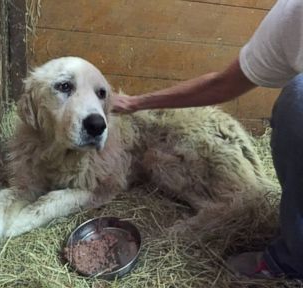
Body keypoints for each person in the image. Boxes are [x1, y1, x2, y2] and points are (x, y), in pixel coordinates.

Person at [112, 0, 303, 279]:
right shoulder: (294, 13)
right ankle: (293, 256)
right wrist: (136, 102)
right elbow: (223, 83)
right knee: (297, 101)